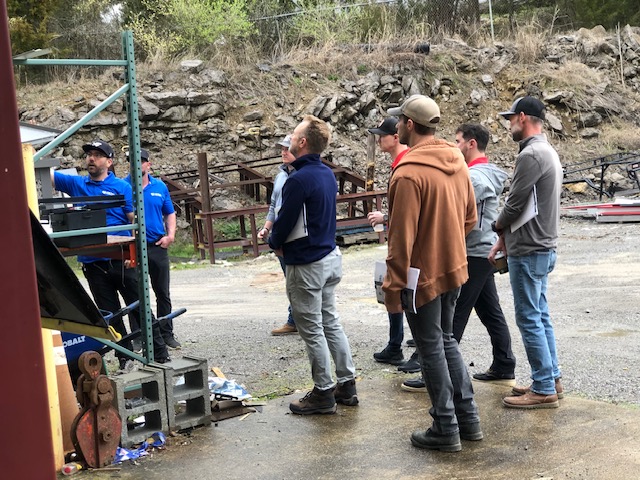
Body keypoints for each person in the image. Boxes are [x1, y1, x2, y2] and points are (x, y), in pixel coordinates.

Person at [383, 95, 481, 451]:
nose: (396, 127)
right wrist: (447, 245)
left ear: (409, 124)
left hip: (421, 278)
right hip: (454, 268)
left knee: (430, 348)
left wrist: (393, 287)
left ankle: (445, 427)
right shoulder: (455, 158)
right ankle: (468, 421)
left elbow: (401, 239)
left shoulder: (408, 174)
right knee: (446, 340)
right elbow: (470, 218)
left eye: (399, 122)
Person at [402, 123, 516, 392]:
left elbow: (453, 211)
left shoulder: (474, 178)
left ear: (471, 144)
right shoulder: (485, 174)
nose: (454, 146)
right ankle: (504, 362)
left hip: (473, 252)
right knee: (490, 311)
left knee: (452, 319)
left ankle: (435, 373)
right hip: (482, 251)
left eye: (457, 141)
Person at [268, 115, 358, 415]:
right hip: (329, 257)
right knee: (330, 321)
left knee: (311, 329)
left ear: (302, 142)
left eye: (294, 135)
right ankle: (347, 383)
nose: (290, 139)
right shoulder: (325, 174)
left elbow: (284, 223)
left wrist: (273, 241)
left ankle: (323, 392)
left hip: (306, 263)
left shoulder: (298, 179)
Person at [52, 139, 170, 366]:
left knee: (140, 307)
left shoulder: (123, 187)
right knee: (112, 314)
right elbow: (42, 171)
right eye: (89, 155)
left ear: (109, 161)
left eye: (97, 155)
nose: (91, 159)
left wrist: (132, 255)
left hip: (121, 260)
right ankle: (125, 357)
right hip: (93, 263)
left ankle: (160, 353)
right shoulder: (77, 184)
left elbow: (133, 223)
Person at [489, 96, 564, 409]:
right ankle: (551, 378)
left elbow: (516, 204)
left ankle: (544, 387)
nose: (509, 125)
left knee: (529, 317)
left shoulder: (531, 155)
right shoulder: (546, 151)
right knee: (540, 314)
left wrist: (497, 226)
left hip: (530, 249)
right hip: (541, 246)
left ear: (523, 117)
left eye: (510, 119)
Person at [366, 118, 412, 367]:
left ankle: (398, 345)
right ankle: (399, 343)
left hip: (403, 241)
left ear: (396, 137)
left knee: (396, 287)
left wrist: (386, 217)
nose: (379, 138)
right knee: (396, 288)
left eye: (382, 135)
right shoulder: (400, 162)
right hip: (400, 237)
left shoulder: (405, 163)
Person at [125, 148, 180, 349]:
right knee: (135, 294)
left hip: (157, 245)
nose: (137, 165)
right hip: (134, 248)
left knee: (162, 292)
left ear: (149, 164)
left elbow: (170, 213)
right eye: (132, 161)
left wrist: (170, 236)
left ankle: (166, 333)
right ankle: (140, 337)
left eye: (141, 161)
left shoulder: (160, 186)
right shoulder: (123, 187)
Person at [259, 135, 298, 336]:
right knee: (290, 279)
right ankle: (294, 320)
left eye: (287, 149)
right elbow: (275, 205)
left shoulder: (302, 175)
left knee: (301, 280)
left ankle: (306, 321)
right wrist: (266, 228)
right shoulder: (281, 175)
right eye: (282, 149)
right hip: (280, 235)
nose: (283, 152)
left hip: (297, 236)